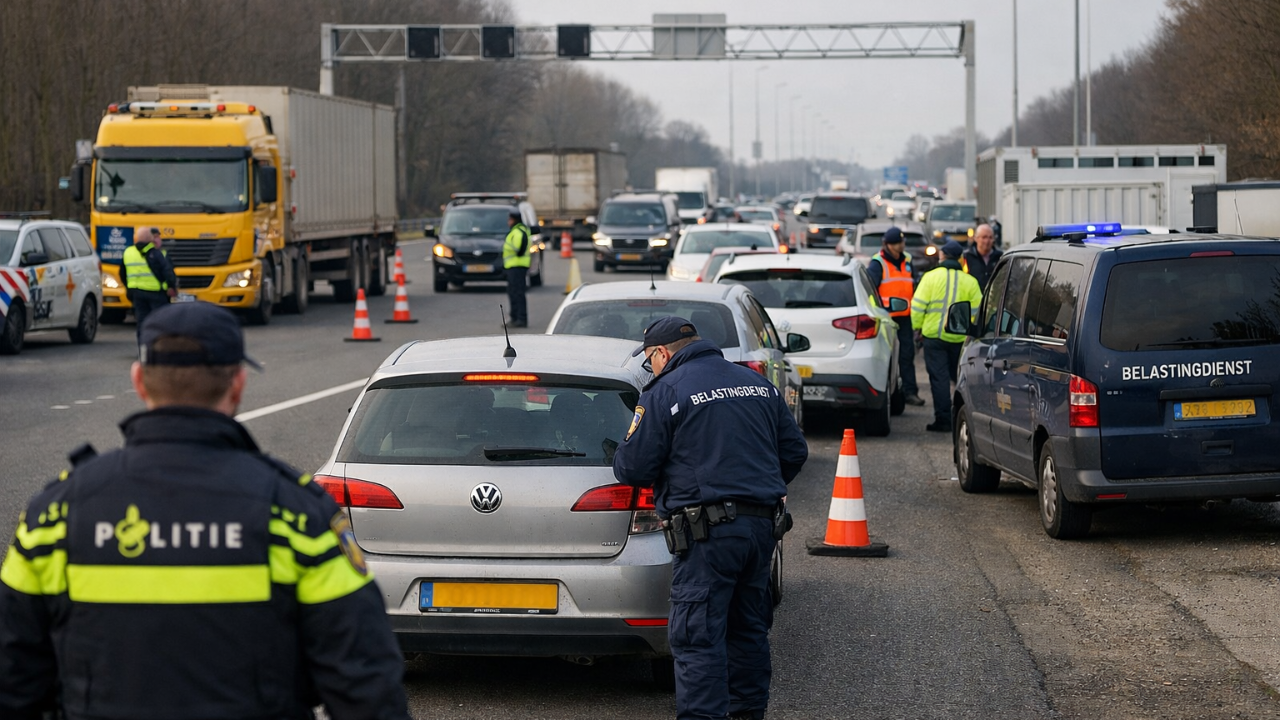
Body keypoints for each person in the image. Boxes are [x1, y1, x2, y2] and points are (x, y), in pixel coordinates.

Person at [0, 302, 410, 720]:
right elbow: (368, 688)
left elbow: (12, 679)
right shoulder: (297, 518)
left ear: (139, 381)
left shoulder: (56, 517)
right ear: (238, 384)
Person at [613, 316, 808, 720]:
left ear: (662, 353)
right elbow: (794, 452)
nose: (652, 368)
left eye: (650, 361)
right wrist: (755, 486)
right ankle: (747, 713)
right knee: (747, 629)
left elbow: (633, 467)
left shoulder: (666, 390)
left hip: (707, 535)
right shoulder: (756, 384)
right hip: (760, 529)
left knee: (698, 635)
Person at [912, 240, 983, 433]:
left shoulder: (930, 278)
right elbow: (978, 313)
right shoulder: (970, 282)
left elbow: (917, 307)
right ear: (960, 258)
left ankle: (943, 420)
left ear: (942, 256)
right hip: (959, 340)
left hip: (934, 337)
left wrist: (917, 328)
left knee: (939, 379)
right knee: (960, 379)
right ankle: (964, 419)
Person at [865, 226, 925, 406]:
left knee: (907, 355)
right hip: (886, 318)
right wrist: (876, 312)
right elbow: (870, 290)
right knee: (885, 357)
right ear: (887, 245)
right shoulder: (878, 263)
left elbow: (915, 286)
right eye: (897, 243)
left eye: (902, 242)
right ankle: (885, 393)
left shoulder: (907, 260)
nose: (901, 245)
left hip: (905, 317)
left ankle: (910, 392)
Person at [120, 226, 177, 344]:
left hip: (137, 293)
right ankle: (159, 347)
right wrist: (171, 287)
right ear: (150, 238)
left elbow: (122, 273)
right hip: (156, 294)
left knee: (142, 322)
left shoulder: (128, 252)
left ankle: (143, 348)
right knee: (160, 322)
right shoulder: (155, 253)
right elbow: (167, 271)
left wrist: (129, 287)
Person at [503, 210, 532, 328]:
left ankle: (520, 319)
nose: (508, 222)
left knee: (517, 293)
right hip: (514, 266)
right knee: (513, 292)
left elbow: (519, 250)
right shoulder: (518, 231)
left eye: (509, 219)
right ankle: (515, 317)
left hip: (517, 266)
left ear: (513, 220)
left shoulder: (518, 232)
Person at [961, 223, 1003, 292]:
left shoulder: (1000, 257)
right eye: (984, 237)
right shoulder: (967, 257)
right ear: (975, 238)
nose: (987, 241)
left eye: (990, 237)